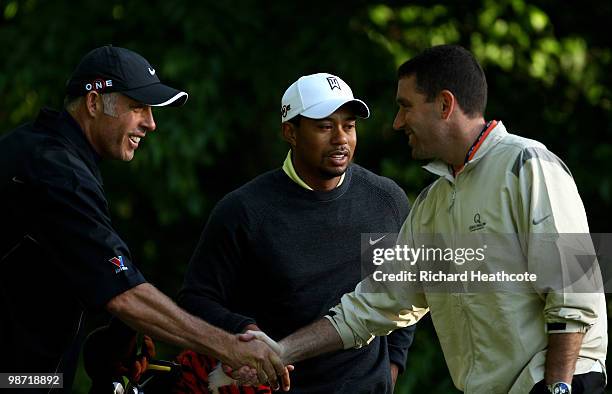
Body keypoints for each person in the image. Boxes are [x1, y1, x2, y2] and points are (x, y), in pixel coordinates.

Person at [245, 45, 607, 394]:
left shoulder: (528, 165)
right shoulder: (432, 204)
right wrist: (279, 351)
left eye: (406, 107)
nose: (398, 122)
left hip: (560, 383)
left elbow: (575, 290)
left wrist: (557, 386)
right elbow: (371, 306)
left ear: (445, 105)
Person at [0, 45, 288, 392]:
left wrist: (118, 339)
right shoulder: (58, 174)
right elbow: (124, 294)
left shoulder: (39, 150)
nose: (151, 123)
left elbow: (44, 273)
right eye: (138, 106)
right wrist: (230, 348)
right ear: (93, 102)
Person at [178, 73, 416, 393]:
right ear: (290, 132)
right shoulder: (244, 210)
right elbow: (195, 299)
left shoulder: (386, 199)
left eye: (349, 125)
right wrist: (244, 330)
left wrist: (393, 366)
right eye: (325, 126)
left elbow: (406, 289)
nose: (341, 138)